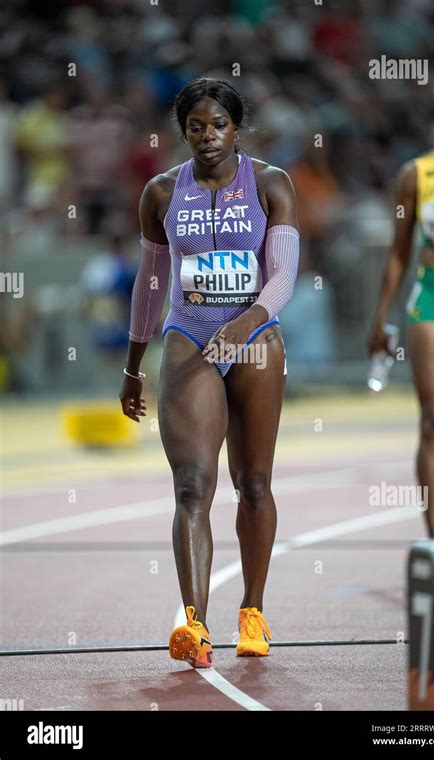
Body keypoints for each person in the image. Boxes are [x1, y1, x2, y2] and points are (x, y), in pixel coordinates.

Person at [119, 78, 299, 667]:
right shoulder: (161, 192)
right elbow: (151, 284)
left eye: (218, 124)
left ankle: (252, 611)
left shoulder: (271, 184)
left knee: (253, 483)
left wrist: (245, 325)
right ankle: (194, 626)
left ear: (236, 128)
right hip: (189, 338)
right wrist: (132, 364)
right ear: (183, 132)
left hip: (253, 344)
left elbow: (283, 278)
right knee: (192, 484)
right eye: (196, 126)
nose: (207, 136)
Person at [368, 61, 434, 539]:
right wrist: (380, 317)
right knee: (433, 421)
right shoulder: (416, 174)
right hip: (432, 297)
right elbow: (397, 254)